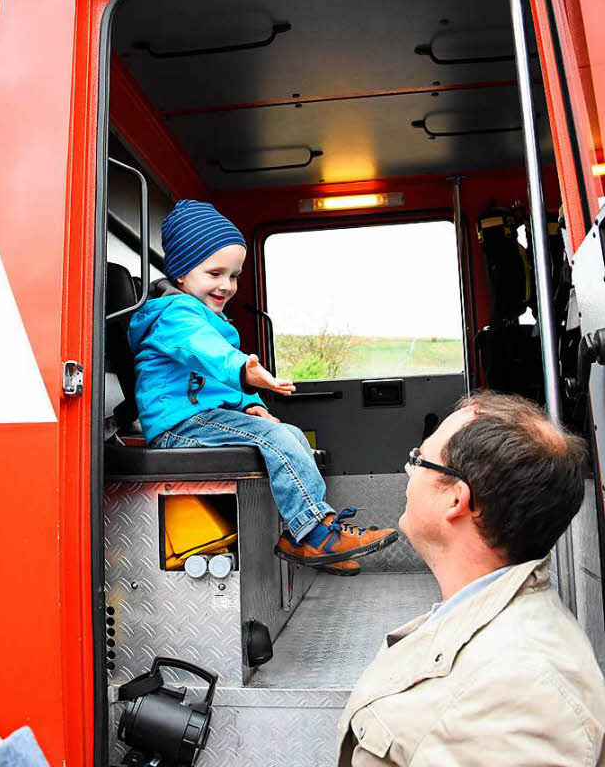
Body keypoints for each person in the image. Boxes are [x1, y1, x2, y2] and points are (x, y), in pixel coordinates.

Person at [128, 199, 397, 573]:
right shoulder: (176, 316)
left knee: (287, 432)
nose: (226, 285)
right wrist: (244, 369)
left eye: (234, 276)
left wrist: (251, 405)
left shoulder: (204, 317)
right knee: (279, 440)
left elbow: (216, 383)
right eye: (214, 273)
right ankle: (316, 535)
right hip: (179, 427)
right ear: (181, 274)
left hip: (204, 418)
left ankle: (305, 535)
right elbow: (207, 354)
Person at [338, 390, 605, 766]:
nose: (408, 470)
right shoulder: (486, 621)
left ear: (456, 500)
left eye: (420, 460)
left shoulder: (524, 693)